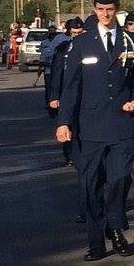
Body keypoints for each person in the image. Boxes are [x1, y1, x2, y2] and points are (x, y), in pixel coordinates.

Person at [55, 0, 134, 261]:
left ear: (117, 10)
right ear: (95, 10)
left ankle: (115, 228)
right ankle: (96, 240)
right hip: (90, 125)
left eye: (110, 9)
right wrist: (63, 122)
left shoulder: (131, 42)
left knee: (119, 179)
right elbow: (71, 87)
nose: (106, 14)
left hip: (122, 123)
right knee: (90, 183)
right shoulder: (82, 43)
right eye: (101, 9)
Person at [48, 16, 85, 168]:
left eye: (80, 32)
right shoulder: (64, 49)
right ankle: (69, 154)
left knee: (80, 126)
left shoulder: (89, 48)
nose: (77, 35)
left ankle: (81, 153)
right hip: (66, 93)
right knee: (67, 123)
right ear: (70, 33)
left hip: (84, 94)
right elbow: (57, 74)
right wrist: (54, 96)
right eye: (74, 32)